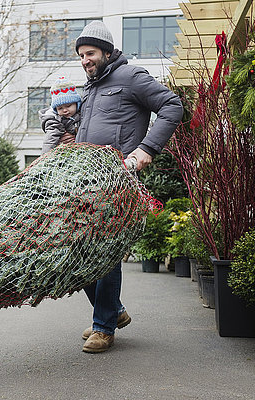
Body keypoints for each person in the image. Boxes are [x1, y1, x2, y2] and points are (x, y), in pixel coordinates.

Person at [73, 20, 183, 353]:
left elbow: (172, 105)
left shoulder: (131, 77)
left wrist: (147, 148)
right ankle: (114, 311)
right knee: (78, 253)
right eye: (80, 55)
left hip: (118, 180)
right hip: (85, 181)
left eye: (90, 53)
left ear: (107, 51)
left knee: (105, 251)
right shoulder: (91, 87)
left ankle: (103, 327)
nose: (85, 60)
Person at [38, 76, 82, 153]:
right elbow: (49, 141)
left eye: (68, 106)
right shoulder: (54, 121)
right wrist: (45, 157)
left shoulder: (83, 115)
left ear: (77, 104)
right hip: (63, 153)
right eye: (60, 108)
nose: (65, 110)